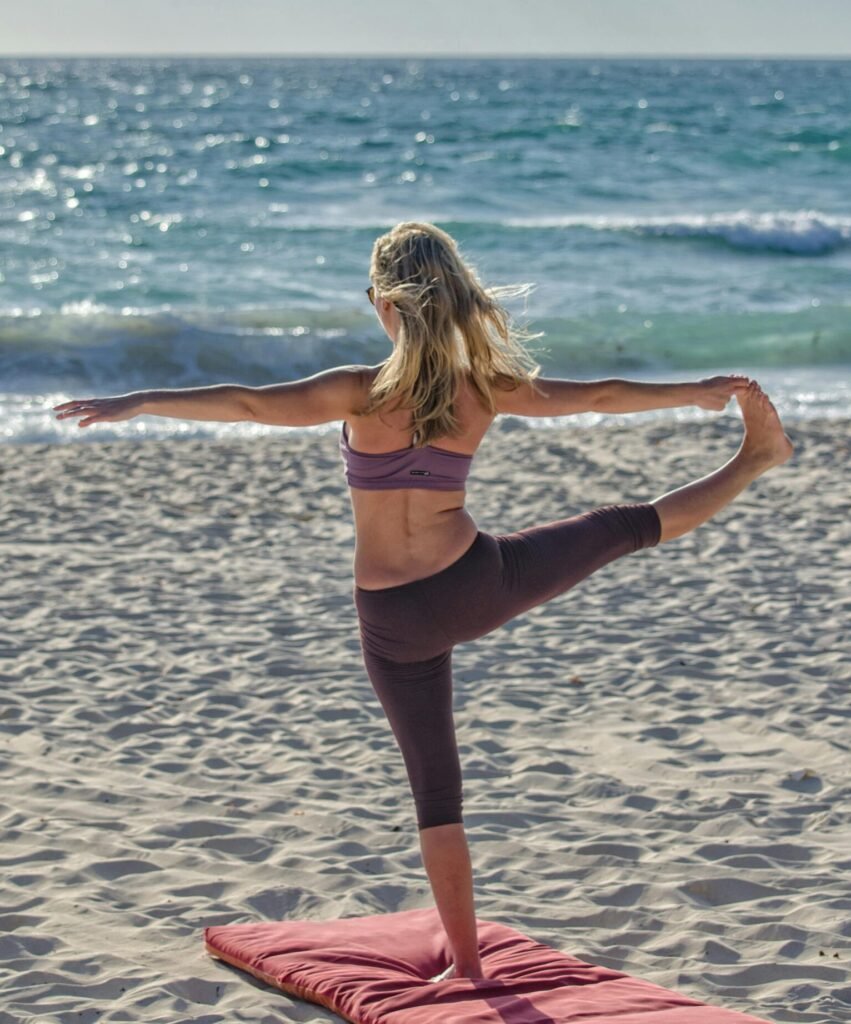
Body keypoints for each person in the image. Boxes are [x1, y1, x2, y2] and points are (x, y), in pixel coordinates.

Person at [53, 221, 793, 983]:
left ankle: (466, 966)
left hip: (392, 621)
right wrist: (693, 391)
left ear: (381, 303)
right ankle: (753, 460)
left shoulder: (355, 391)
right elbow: (598, 395)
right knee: (621, 527)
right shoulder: (482, 390)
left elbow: (245, 403)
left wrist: (140, 400)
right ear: (457, 298)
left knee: (435, 794)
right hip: (476, 585)